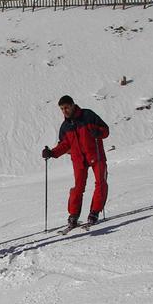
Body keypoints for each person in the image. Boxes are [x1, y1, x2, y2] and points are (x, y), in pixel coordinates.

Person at [42, 95, 110, 227]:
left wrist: (99, 132)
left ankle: (94, 212)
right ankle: (73, 215)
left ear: (73, 105)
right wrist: (51, 153)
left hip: (96, 155)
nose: (64, 111)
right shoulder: (65, 126)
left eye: (66, 107)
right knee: (78, 188)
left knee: (101, 183)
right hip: (79, 160)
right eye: (62, 109)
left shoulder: (88, 115)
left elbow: (105, 130)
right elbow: (64, 145)